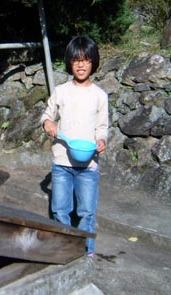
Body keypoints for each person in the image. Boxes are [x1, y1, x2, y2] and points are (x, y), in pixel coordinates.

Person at [40, 35, 109, 256]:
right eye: (77, 60)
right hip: (62, 163)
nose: (81, 64)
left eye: (86, 60)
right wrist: (48, 122)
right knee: (60, 209)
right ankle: (65, 249)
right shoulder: (61, 91)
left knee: (87, 211)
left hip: (88, 165)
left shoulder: (100, 95)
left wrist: (102, 140)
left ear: (93, 62)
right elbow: (47, 116)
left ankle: (86, 252)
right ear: (70, 62)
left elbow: (102, 126)